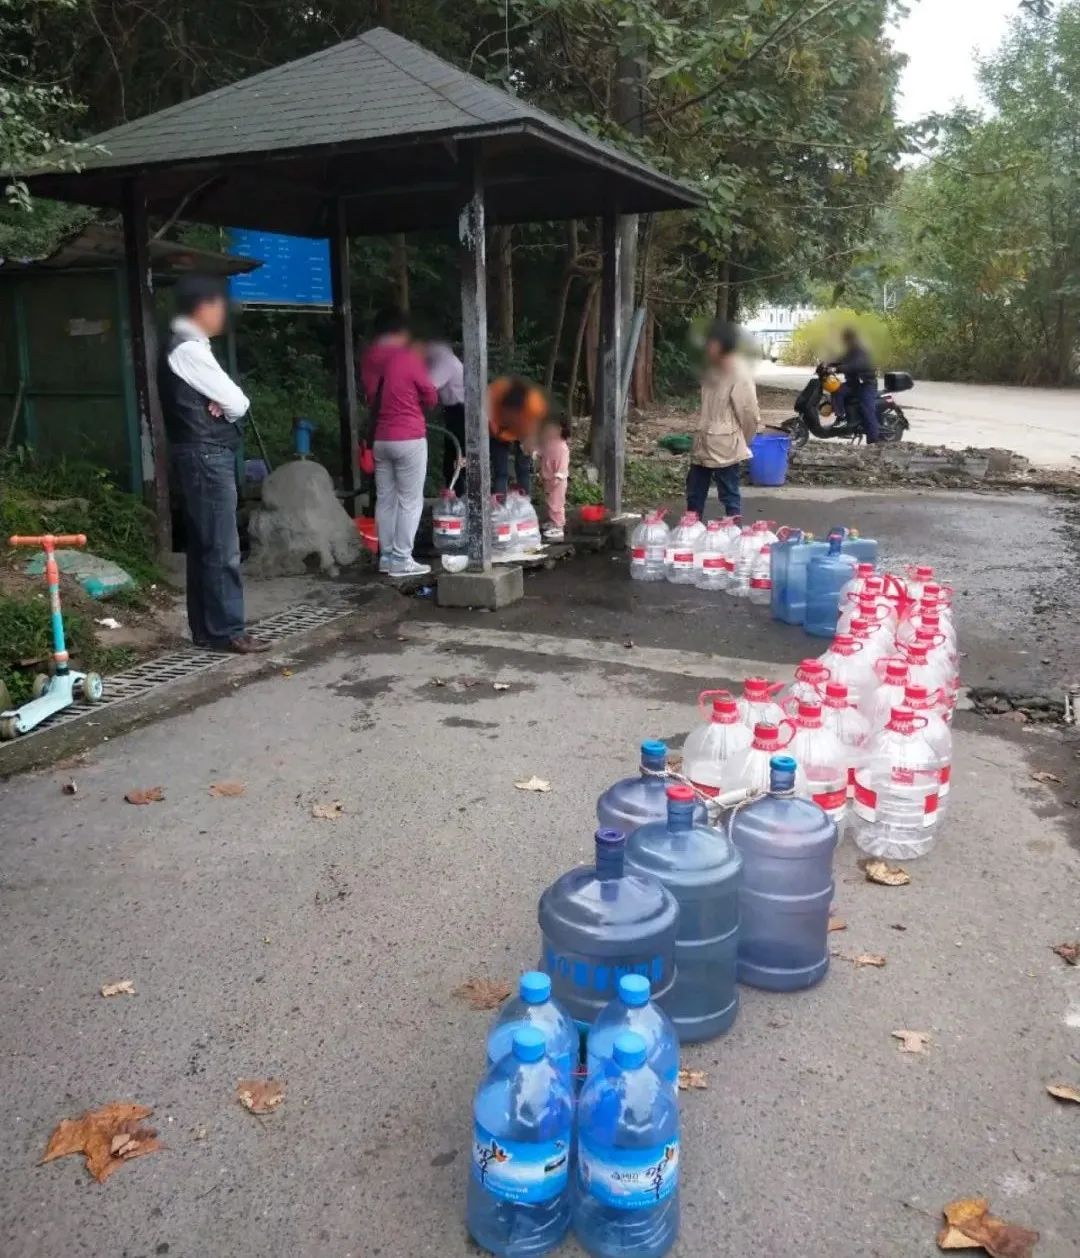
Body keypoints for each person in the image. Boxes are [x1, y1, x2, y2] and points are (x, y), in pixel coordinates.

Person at [161, 275, 268, 654]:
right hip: (207, 453)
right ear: (203, 308)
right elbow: (238, 403)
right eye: (219, 306)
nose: (223, 314)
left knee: (205, 545)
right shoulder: (189, 348)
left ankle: (207, 630)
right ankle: (229, 630)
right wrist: (224, 406)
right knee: (222, 546)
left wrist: (220, 404)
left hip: (196, 452)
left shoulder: (184, 344)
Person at [360, 308, 438, 578]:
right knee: (410, 500)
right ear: (400, 332)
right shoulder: (407, 357)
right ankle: (403, 558)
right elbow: (430, 394)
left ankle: (386, 557)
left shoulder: (370, 358)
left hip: (381, 438)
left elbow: (371, 395)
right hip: (409, 437)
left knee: (386, 499)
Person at [686, 320, 762, 521]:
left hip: (726, 444)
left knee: (729, 495)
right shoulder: (711, 370)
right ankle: (691, 531)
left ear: (722, 345)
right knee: (694, 493)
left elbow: (749, 415)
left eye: (710, 343)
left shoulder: (739, 373)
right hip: (703, 441)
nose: (707, 347)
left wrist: (741, 440)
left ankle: (735, 535)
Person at [488, 376, 547, 495]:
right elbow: (493, 430)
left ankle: (524, 506)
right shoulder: (493, 403)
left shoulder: (534, 406)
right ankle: (499, 508)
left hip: (525, 433)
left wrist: (530, 446)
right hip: (498, 434)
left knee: (523, 469)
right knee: (501, 472)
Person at [830, 328, 880, 443]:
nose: (845, 342)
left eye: (847, 339)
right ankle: (841, 418)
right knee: (837, 391)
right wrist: (828, 364)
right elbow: (840, 360)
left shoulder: (862, 351)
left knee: (867, 410)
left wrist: (838, 368)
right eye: (844, 340)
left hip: (867, 385)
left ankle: (874, 440)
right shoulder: (849, 351)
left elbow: (855, 366)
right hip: (853, 384)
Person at [426, 340, 465, 488]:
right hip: (452, 411)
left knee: (457, 456)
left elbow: (429, 385)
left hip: (460, 411)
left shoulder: (445, 361)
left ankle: (459, 492)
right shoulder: (444, 360)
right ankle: (453, 490)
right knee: (451, 456)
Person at [539, 415, 571, 541]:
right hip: (548, 477)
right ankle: (553, 522)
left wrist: (558, 477)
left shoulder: (563, 447)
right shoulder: (550, 442)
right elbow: (544, 452)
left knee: (556, 504)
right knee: (550, 502)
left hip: (558, 480)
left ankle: (559, 527)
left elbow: (562, 466)